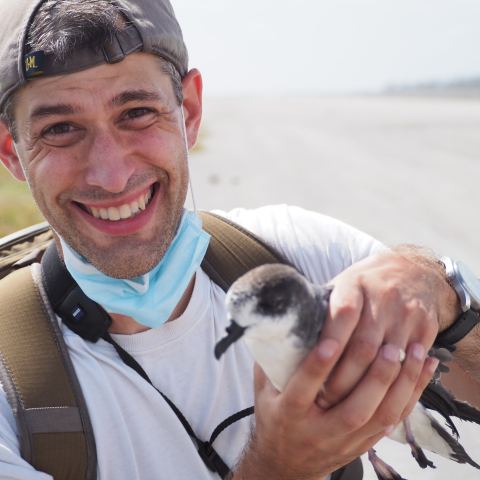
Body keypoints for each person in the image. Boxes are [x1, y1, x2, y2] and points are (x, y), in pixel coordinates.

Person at [0, 1, 478, 479]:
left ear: (188, 111)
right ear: (12, 150)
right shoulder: (8, 372)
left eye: (138, 112)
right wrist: (279, 468)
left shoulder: (303, 254)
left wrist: (438, 287)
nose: (111, 174)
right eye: (59, 129)